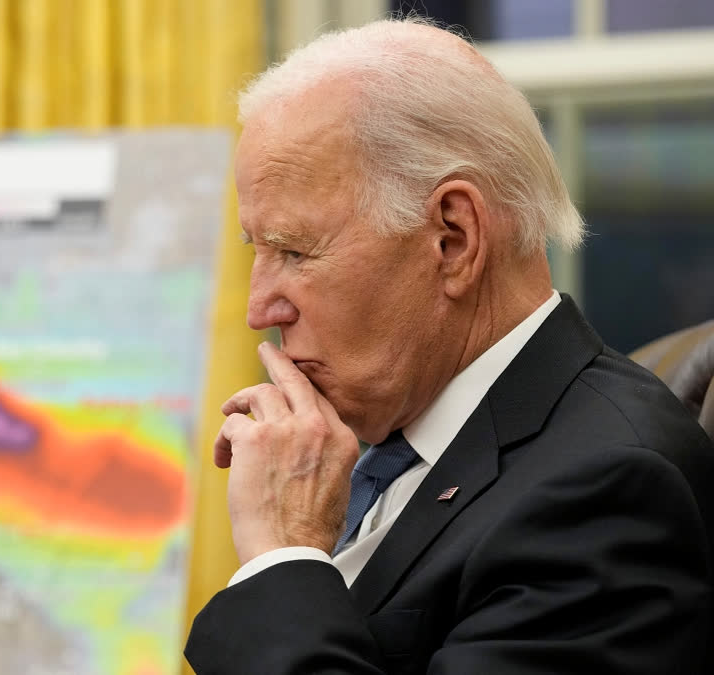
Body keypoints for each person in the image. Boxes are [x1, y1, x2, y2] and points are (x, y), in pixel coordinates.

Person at [184, 17, 714, 674]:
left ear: (453, 239)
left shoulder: (610, 490)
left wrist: (284, 555)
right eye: (256, 251)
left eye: (294, 251)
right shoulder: (370, 443)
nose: (258, 308)